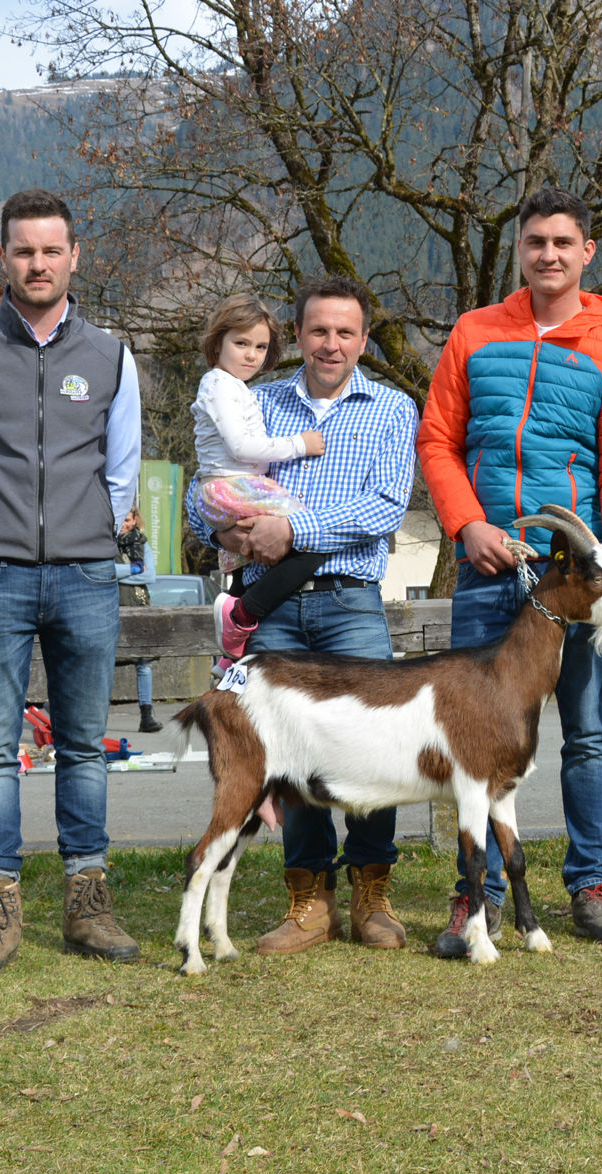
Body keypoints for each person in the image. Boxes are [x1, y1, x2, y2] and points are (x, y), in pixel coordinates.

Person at [416, 186, 602, 958]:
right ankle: (477, 895)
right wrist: (467, 524)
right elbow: (436, 443)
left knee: (587, 731)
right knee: (475, 736)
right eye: (535, 242)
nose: (548, 254)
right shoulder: (474, 332)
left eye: (563, 242)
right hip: (489, 566)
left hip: (571, 578)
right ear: (520, 250)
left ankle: (591, 880)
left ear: (588, 252)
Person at [0, 187, 144, 982]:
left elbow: (121, 473)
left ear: (75, 255)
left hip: (85, 573)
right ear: (2, 257)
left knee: (83, 744)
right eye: (23, 250)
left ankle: (87, 899)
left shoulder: (111, 355)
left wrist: (89, 536)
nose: (38, 263)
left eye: (52, 250)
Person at [186, 275, 417, 954]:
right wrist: (219, 529)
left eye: (345, 332)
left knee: (377, 746)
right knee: (287, 753)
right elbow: (210, 487)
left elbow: (384, 507)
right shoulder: (256, 402)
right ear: (299, 335)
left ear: (364, 339)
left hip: (349, 599)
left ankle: (371, 891)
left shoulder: (392, 409)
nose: (331, 344)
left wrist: (297, 531)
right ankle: (307, 899)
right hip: (271, 604)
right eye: (318, 331)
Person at [188, 294, 328, 660]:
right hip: (231, 485)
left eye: (261, 346)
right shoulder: (219, 385)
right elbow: (241, 446)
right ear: (217, 342)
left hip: (230, 485)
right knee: (309, 532)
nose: (251, 355)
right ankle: (242, 613)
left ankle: (230, 642)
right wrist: (300, 444)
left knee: (258, 553)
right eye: (241, 343)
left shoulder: (234, 387)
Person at [116, 507, 163, 734]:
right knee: (104, 663)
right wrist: (132, 569)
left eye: (127, 519)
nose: (123, 523)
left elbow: (150, 575)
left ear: (135, 521)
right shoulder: (104, 543)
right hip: (112, 606)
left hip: (139, 606)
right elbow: (103, 571)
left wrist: (120, 572)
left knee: (144, 663)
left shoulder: (143, 544)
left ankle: (147, 715)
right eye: (121, 519)